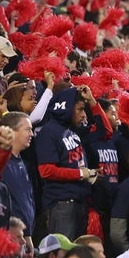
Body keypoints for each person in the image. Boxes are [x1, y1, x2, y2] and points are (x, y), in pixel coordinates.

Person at [34, 86, 96, 240]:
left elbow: (104, 130)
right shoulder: (49, 132)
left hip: (78, 202)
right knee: (62, 255)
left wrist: (92, 100)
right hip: (61, 204)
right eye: (80, 109)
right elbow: (46, 171)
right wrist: (81, 174)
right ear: (67, 108)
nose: (83, 115)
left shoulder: (72, 131)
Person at [0, 111, 35, 252]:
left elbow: (25, 201)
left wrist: (28, 235)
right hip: (8, 237)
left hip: (22, 235)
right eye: (27, 129)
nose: (32, 134)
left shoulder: (20, 161)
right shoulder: (0, 163)